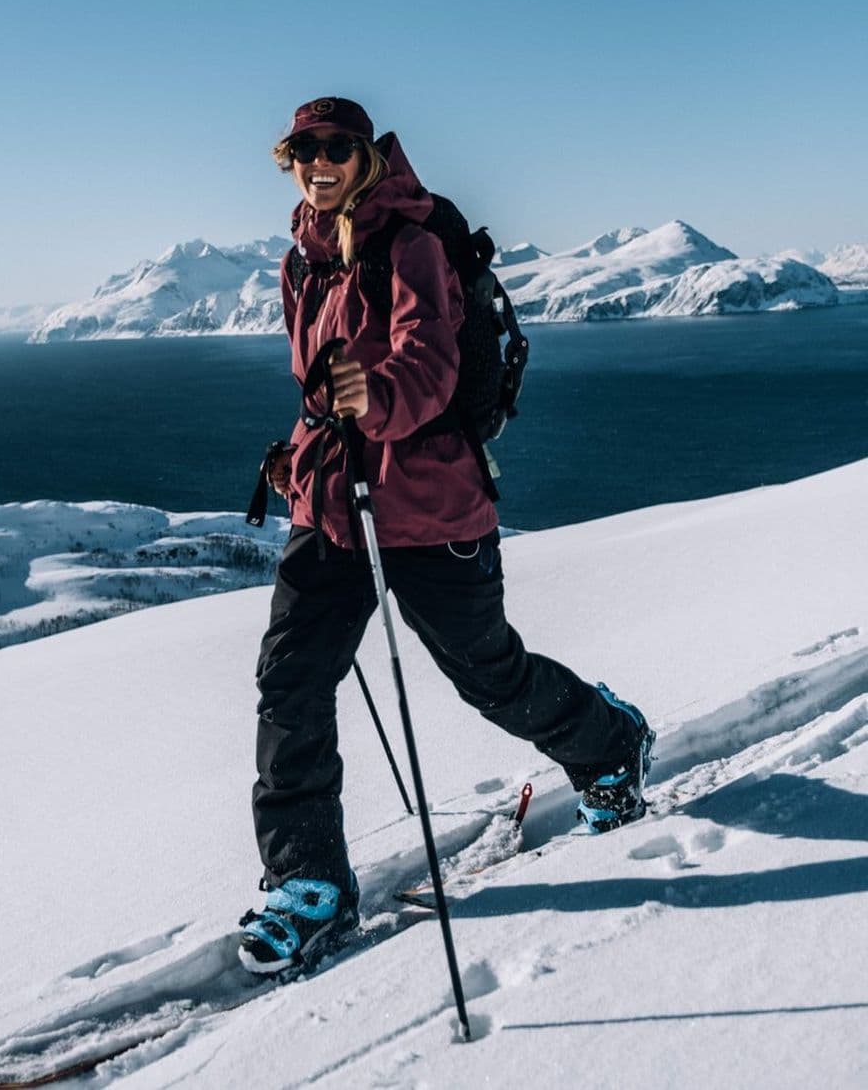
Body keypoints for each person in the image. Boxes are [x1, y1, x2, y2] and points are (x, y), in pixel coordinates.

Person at [238, 96, 653, 976]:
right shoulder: (300, 262)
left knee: (490, 674)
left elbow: (428, 368)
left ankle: (609, 743)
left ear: (366, 157)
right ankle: (308, 882)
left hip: (429, 505)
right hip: (336, 508)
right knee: (291, 681)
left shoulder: (413, 243)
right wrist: (303, 450)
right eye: (304, 149)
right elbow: (320, 386)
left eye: (336, 148)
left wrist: (371, 397)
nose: (319, 161)